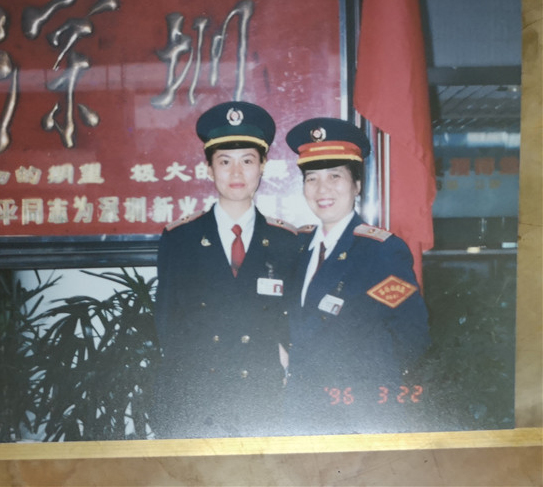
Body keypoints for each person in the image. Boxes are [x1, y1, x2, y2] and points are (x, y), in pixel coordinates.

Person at [151, 101, 300, 439]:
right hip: (198, 401)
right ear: (208, 169)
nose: (236, 173)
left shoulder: (285, 241)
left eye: (247, 161)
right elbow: (167, 325)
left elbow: (292, 321)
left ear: (262, 166)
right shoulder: (180, 239)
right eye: (224, 162)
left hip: (263, 400)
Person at [282, 117, 431, 434]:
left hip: (359, 416)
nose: (322, 189)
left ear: (357, 185)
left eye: (335, 176)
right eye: (312, 178)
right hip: (299, 412)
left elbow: (411, 337)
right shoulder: (297, 248)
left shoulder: (381, 251)